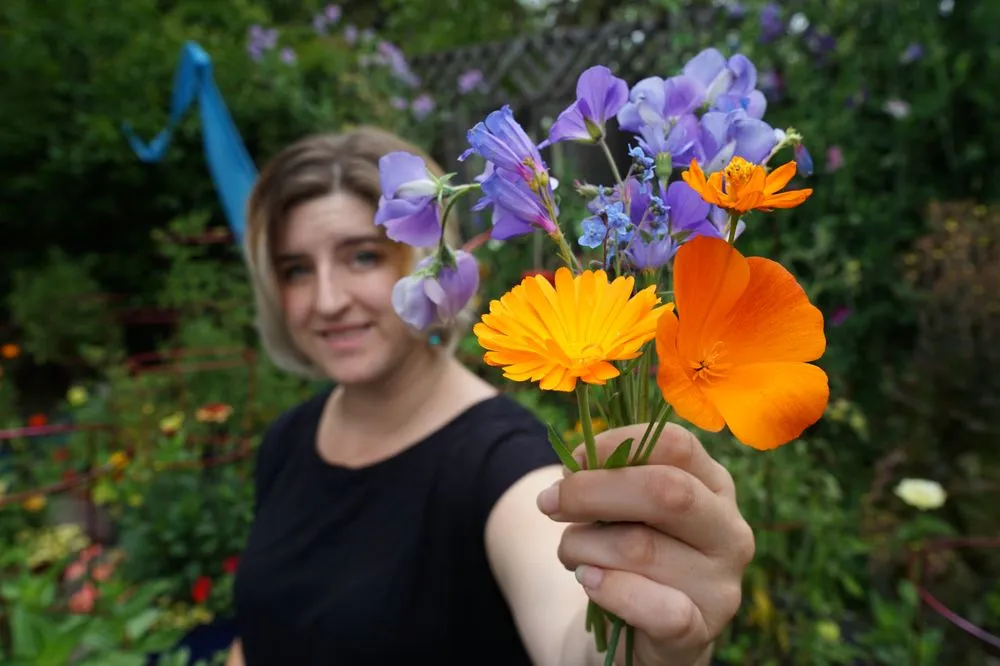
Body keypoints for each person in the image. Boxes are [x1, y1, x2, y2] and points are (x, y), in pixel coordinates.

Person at [226, 126, 755, 666]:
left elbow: (574, 641)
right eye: (295, 269)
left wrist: (649, 645)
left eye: (362, 257)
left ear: (433, 256)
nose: (328, 300)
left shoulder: (506, 464)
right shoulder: (289, 438)